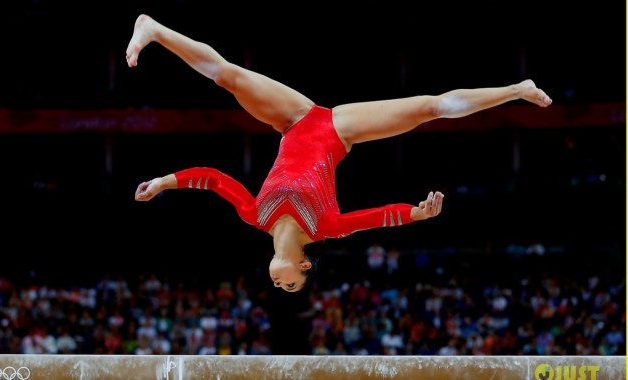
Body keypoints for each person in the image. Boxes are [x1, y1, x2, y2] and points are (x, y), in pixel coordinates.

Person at [126, 14, 553, 293]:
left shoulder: (255, 215)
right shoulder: (325, 227)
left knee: (230, 78)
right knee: (430, 107)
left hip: (294, 118)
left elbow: (214, 179)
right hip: (338, 131)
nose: (281, 284)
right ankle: (517, 89)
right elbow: (376, 217)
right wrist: (417, 214)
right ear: (304, 267)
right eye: (291, 286)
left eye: (281, 287)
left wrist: (164, 183)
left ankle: (155, 29)